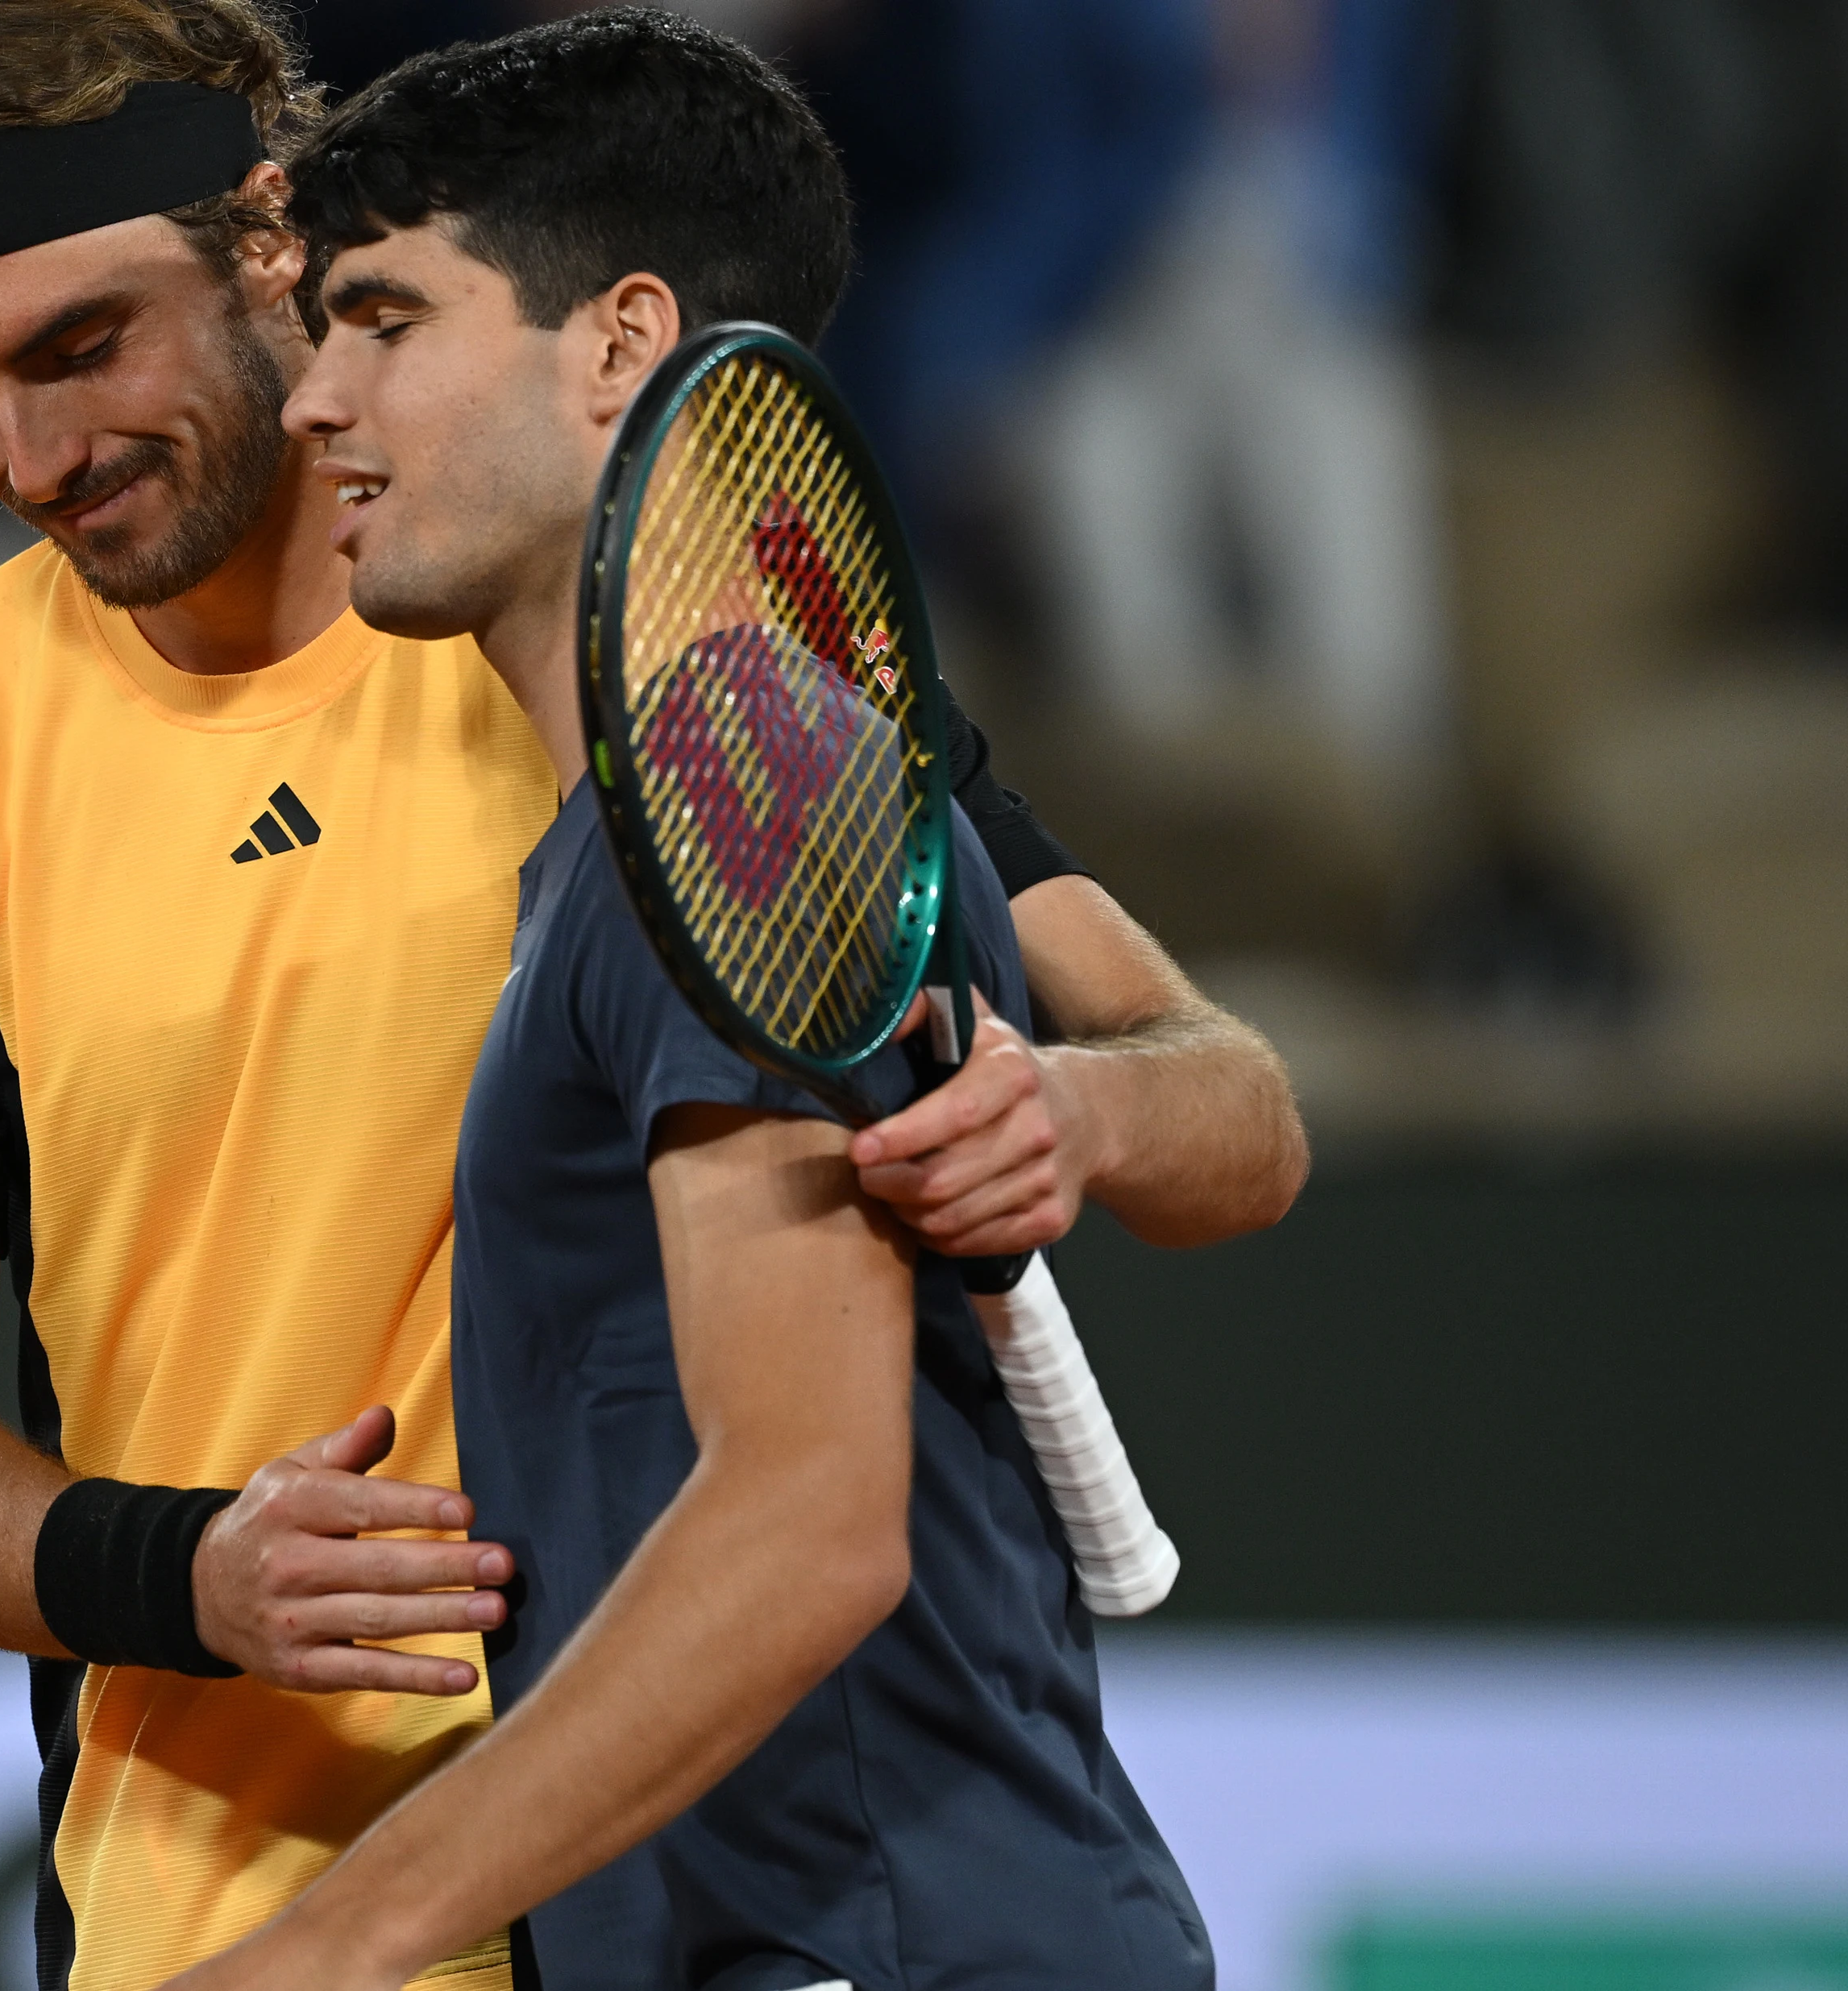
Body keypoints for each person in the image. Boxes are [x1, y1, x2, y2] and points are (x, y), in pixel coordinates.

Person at [0, 6, 1296, 1987]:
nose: (33, 459)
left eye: (79, 347)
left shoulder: (689, 652)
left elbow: (1220, 1107)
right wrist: (187, 1572)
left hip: (688, 1882)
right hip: (230, 1920)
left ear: (267, 245)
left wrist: (1071, 1117)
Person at [163, 14, 1211, 1988]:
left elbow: (810, 1525)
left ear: (621, 343)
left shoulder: (737, 774)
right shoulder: (692, 801)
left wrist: (321, 1952)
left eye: (384, 317)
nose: (315, 403)